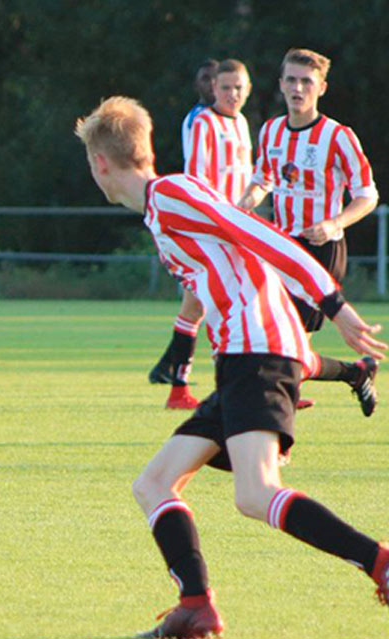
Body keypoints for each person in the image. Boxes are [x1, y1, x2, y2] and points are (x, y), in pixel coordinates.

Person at [76, 95, 389, 638]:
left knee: (255, 493)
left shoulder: (173, 194)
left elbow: (261, 236)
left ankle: (380, 562)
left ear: (100, 163)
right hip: (246, 359)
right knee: (154, 483)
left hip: (254, 353)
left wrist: (333, 304)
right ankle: (195, 605)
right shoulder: (160, 209)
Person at [238, 48, 379, 416]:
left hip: (321, 252)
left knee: (286, 350)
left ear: (322, 87)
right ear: (281, 84)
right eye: (291, 80)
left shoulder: (338, 136)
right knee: (276, 344)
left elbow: (367, 195)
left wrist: (335, 223)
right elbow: (263, 179)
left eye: (306, 81)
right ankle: (355, 373)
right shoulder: (270, 130)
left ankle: (275, 435)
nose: (297, 87)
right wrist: (244, 203)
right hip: (280, 249)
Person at [151, 59, 253, 410]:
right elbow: (196, 179)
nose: (232, 94)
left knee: (200, 306)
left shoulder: (241, 123)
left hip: (237, 227)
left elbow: (247, 175)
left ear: (248, 89)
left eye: (238, 87)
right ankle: (218, 387)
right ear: (213, 89)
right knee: (215, 305)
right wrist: (212, 223)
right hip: (214, 228)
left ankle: (181, 387)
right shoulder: (203, 123)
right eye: (225, 87)